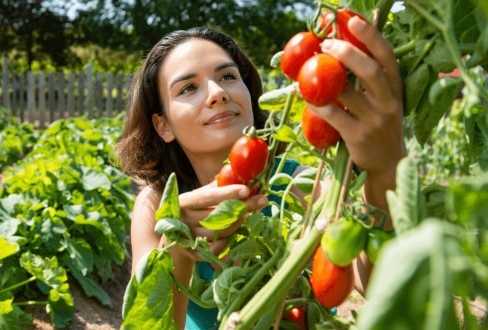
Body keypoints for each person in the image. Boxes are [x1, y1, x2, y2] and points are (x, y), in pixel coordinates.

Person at [115, 15, 405, 330]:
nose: (216, 92)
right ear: (163, 126)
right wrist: (179, 250)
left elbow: (380, 285)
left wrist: (383, 172)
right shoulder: (157, 206)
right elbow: (148, 323)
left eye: (227, 76)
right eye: (188, 88)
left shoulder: (303, 185)